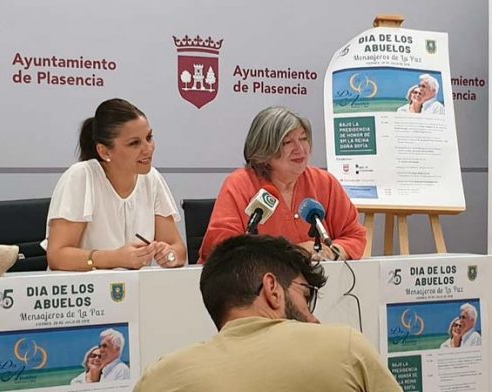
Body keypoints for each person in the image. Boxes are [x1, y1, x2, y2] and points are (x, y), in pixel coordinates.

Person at [134, 235, 402, 392]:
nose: (313, 318)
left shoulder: (160, 378)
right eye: (306, 296)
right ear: (272, 289)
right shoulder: (345, 347)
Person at [198, 106, 367, 263]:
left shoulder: (325, 183)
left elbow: (354, 235)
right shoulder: (240, 184)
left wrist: (332, 252)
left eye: (303, 138)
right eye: (287, 142)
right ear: (263, 148)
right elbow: (220, 250)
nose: (300, 149)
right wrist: (294, 253)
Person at [44, 98, 187, 271]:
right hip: (85, 294)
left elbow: (178, 250)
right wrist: (115, 258)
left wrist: (169, 255)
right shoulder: (81, 176)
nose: (148, 148)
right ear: (104, 151)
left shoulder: (152, 178)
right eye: (134, 143)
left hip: (138, 291)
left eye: (149, 138)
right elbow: (57, 256)